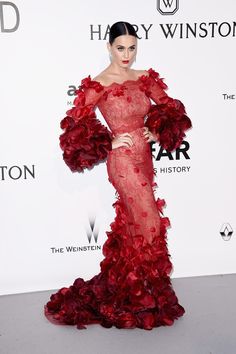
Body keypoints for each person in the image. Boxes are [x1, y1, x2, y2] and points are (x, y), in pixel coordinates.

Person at [44, 21, 192, 330]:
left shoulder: (144, 79)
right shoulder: (99, 84)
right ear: (109, 47)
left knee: (134, 225)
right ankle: (140, 294)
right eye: (121, 48)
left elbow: (171, 109)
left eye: (132, 48)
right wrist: (110, 140)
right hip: (122, 161)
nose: (127, 54)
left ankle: (134, 290)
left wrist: (156, 129)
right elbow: (75, 123)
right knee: (150, 221)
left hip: (144, 157)